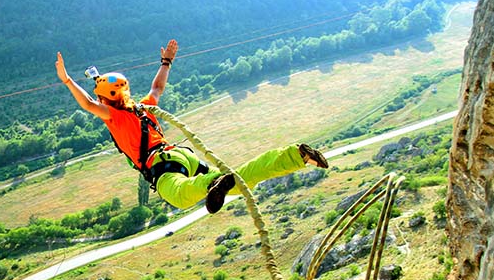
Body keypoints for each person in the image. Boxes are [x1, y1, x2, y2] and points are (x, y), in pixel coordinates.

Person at [54, 39, 329, 214]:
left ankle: (212, 183)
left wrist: (67, 81)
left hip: (161, 165)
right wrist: (166, 62)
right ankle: (295, 155)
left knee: (181, 196)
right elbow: (157, 87)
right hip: (180, 155)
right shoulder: (143, 108)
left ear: (105, 100)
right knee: (238, 181)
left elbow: (88, 103)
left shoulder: (114, 116)